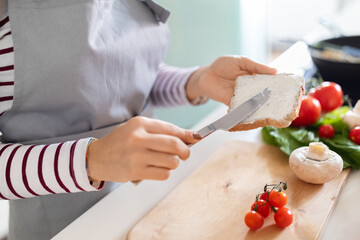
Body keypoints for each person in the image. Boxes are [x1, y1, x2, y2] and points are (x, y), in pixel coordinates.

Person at [0, 0, 277, 239]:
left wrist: (197, 81)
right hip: (61, 228)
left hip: (149, 205)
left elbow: (121, 78)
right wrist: (90, 160)